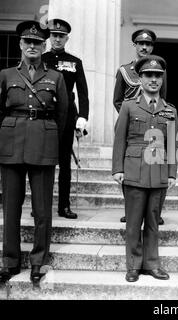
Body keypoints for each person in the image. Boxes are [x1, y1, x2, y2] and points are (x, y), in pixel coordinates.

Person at [0, 21, 68, 284]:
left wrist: (51, 140)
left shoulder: (56, 77)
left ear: (44, 46)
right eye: (27, 42)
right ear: (20, 44)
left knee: (42, 210)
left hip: (43, 144)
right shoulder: (6, 75)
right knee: (11, 208)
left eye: (37, 43)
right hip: (11, 144)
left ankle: (39, 261)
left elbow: (62, 115)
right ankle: (10, 261)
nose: (32, 46)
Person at [112, 55, 178, 282]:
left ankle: (152, 264)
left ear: (162, 80)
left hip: (158, 169)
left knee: (153, 220)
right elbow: (120, 139)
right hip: (133, 169)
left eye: (157, 76)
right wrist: (117, 169)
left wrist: (171, 172)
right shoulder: (129, 107)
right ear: (140, 78)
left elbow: (172, 144)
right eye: (148, 75)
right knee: (133, 222)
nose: (153, 80)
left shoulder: (170, 110)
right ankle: (133, 265)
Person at [113, 28, 166, 224]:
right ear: (134, 45)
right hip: (130, 126)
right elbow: (117, 100)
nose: (144, 47)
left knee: (155, 163)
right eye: (141, 43)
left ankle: (155, 211)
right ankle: (131, 210)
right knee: (130, 165)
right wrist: (132, 117)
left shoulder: (158, 70)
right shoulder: (124, 71)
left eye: (148, 44)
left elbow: (163, 98)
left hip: (154, 125)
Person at [42, 18, 89, 219]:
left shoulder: (74, 62)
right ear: (50, 37)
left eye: (61, 36)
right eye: (54, 35)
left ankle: (64, 206)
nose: (58, 39)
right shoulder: (41, 59)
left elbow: (83, 92)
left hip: (67, 115)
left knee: (64, 164)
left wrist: (83, 117)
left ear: (67, 38)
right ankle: (41, 207)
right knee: (43, 163)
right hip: (44, 115)